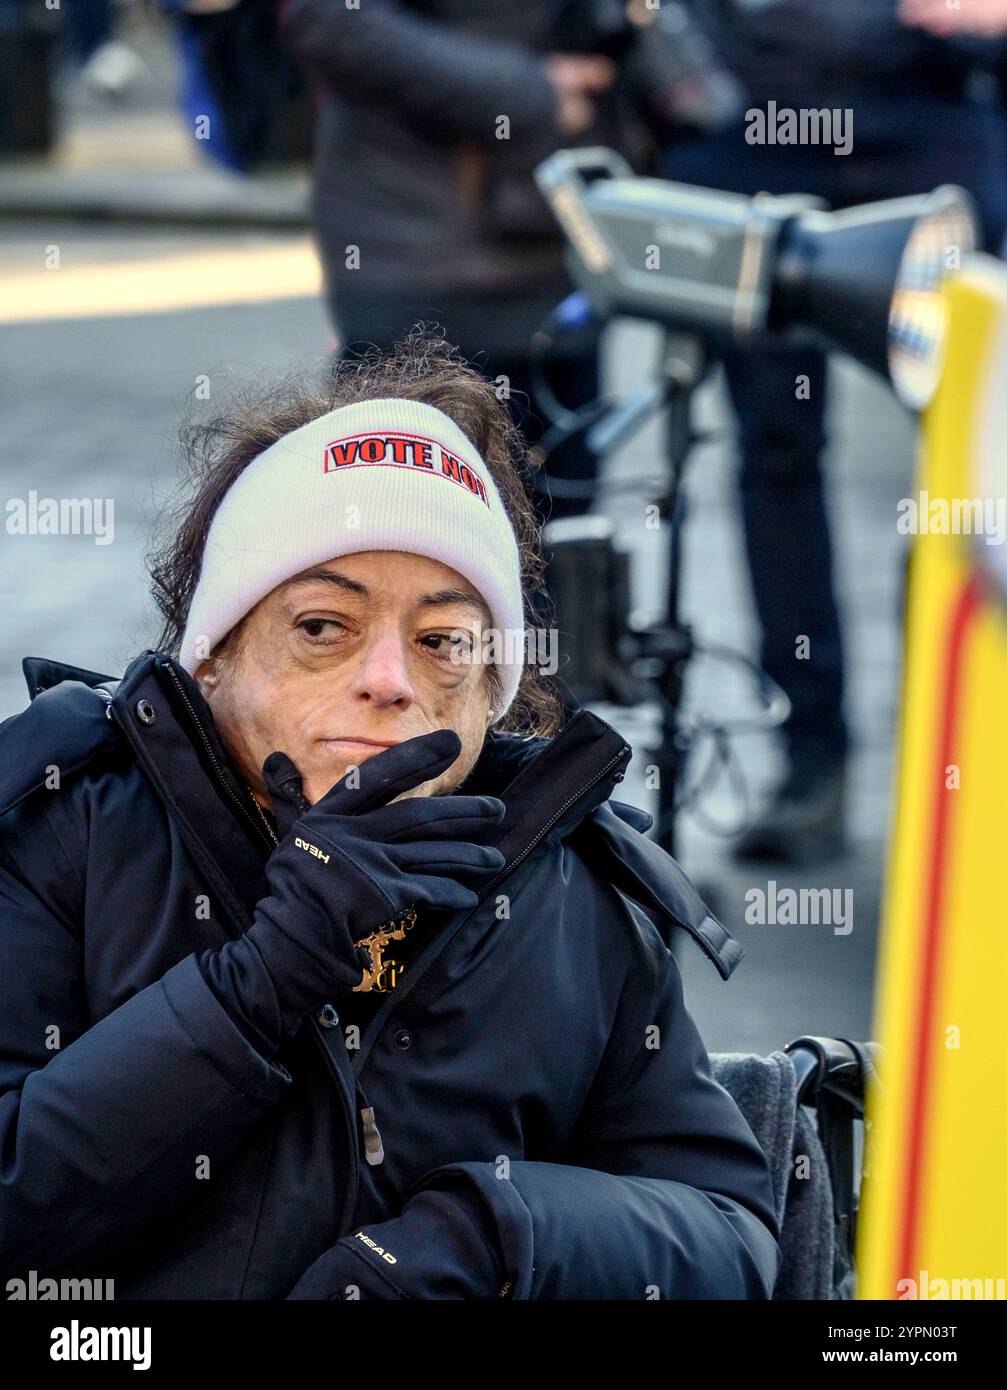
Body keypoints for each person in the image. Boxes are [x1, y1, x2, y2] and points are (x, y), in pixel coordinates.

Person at [0, 332, 779, 1299]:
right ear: (214, 658)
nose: (389, 682)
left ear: (490, 684)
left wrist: (483, 1242)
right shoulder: (63, 828)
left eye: (442, 638)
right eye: (324, 626)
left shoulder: (567, 884)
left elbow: (730, 1236)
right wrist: (264, 978)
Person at [659, 0, 1007, 864]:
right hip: (752, 137)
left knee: (975, 464)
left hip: (931, 132)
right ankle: (810, 766)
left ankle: (963, 760)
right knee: (773, 460)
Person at [278, 0, 652, 534]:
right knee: (407, 545)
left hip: (565, 260)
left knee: (564, 559)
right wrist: (533, 91)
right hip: (422, 269)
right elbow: (329, 18)